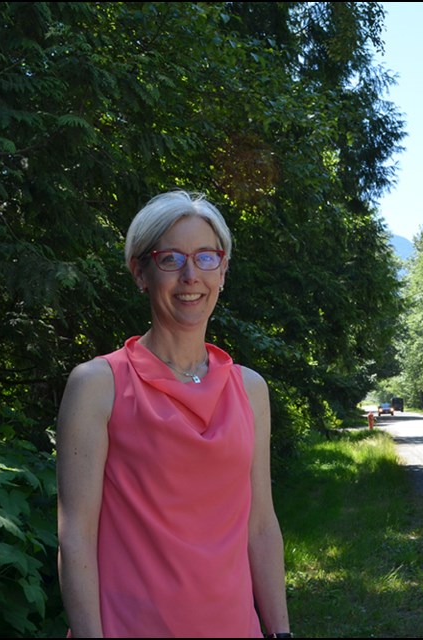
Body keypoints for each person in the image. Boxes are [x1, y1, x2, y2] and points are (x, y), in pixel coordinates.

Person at [56, 190, 292, 638]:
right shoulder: (97, 386)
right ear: (140, 272)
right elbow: (76, 536)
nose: (190, 276)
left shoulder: (249, 389)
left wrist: (281, 632)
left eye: (206, 258)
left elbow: (260, 526)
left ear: (222, 271)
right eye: (170, 259)